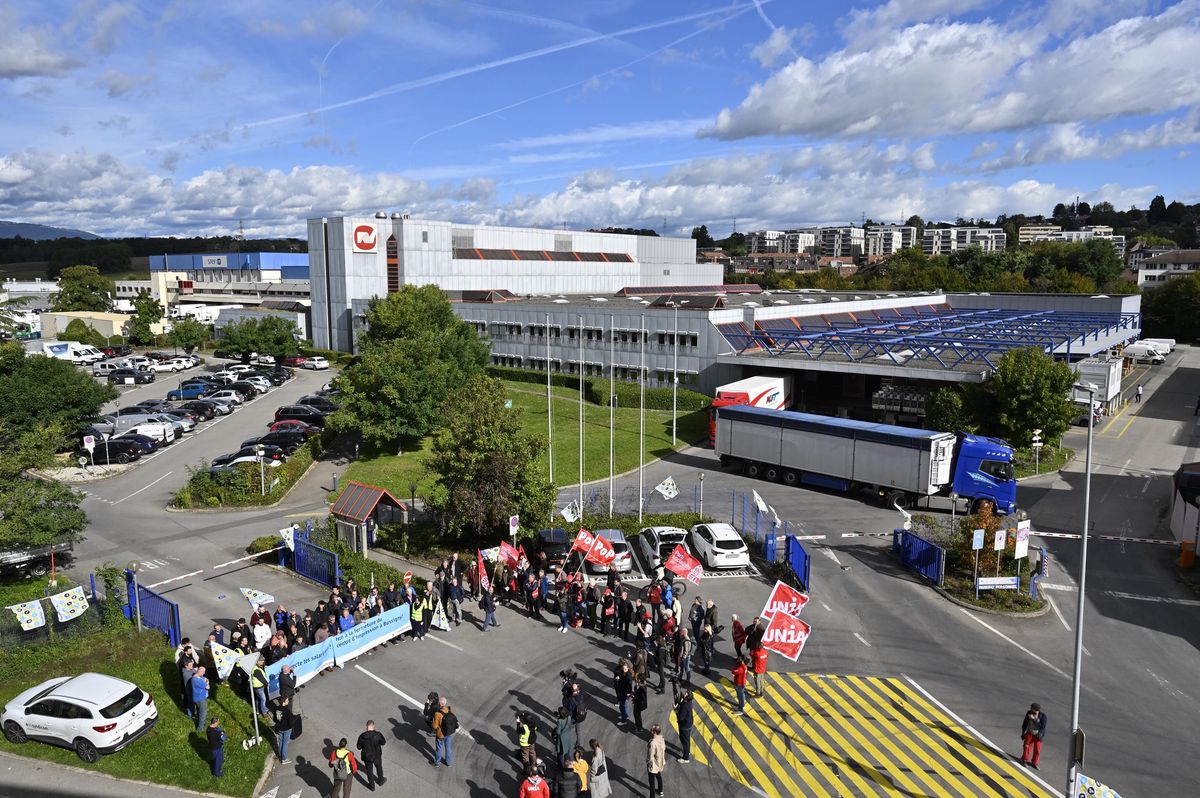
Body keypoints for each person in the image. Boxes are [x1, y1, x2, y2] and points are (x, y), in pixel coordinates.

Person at [357, 720, 387, 787]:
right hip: (377, 755)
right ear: (373, 726)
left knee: (369, 771)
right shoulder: (378, 734)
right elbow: (383, 742)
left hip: (367, 757)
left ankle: (372, 786)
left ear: (366, 727)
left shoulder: (362, 736)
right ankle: (381, 780)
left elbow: (358, 747)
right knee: (379, 767)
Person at [1020, 703, 1048, 769]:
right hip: (1029, 734)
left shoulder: (1043, 716)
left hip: (1038, 736)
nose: (1030, 709)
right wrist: (1023, 733)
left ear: (1035, 709)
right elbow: (1025, 723)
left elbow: (1042, 727)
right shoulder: (1029, 713)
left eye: (1032, 708)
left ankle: (1034, 763)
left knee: (1037, 750)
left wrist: (1034, 719)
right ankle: (1024, 760)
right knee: (1026, 747)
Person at [271, 696, 294, 764]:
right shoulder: (287, 711)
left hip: (279, 729)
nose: (288, 701)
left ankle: (280, 756)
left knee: (281, 743)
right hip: (286, 729)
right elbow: (290, 721)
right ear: (283, 702)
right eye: (287, 700)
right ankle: (284, 759)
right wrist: (292, 726)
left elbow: (275, 719)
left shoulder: (276, 709)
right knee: (285, 744)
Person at [434, 703, 457, 767]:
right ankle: (448, 763)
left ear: (439, 704)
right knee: (448, 748)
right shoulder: (449, 710)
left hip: (440, 735)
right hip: (448, 733)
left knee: (439, 749)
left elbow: (434, 726)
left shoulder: (437, 714)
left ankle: (437, 762)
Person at [674, 688, 693, 763]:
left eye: (685, 693)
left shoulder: (685, 706)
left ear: (687, 696)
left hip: (684, 726)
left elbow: (680, 717)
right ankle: (687, 751)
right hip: (689, 723)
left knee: (684, 740)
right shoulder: (688, 702)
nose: (684, 693)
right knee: (687, 740)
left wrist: (676, 710)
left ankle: (686, 758)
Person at [647, 724, 666, 798]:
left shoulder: (653, 742)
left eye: (651, 730)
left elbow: (650, 755)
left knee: (651, 782)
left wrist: (648, 763)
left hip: (654, 764)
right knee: (658, 776)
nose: (650, 731)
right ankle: (660, 791)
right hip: (660, 762)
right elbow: (664, 749)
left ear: (654, 732)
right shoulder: (662, 739)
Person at [614, 660, 634, 725]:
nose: (624, 669)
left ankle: (624, 721)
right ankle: (625, 715)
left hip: (624, 692)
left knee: (622, 706)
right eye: (623, 668)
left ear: (628, 668)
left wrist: (629, 693)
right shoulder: (624, 673)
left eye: (625, 668)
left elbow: (629, 685)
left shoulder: (628, 675)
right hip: (622, 691)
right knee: (624, 705)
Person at [191, 666, 210, 731]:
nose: (204, 673)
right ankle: (200, 728)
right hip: (200, 699)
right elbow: (208, 687)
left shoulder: (199, 677)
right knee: (203, 713)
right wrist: (207, 683)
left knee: (199, 711)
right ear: (199, 671)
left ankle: (200, 722)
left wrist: (206, 681)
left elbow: (206, 679)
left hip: (198, 698)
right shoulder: (196, 680)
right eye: (203, 672)